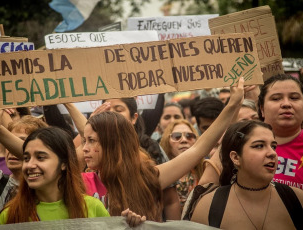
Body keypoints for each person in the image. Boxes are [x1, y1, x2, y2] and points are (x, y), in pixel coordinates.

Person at [81, 77, 244, 222]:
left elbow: (198, 150)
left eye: (91, 141)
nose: (84, 149)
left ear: (111, 143)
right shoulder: (77, 182)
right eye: (84, 141)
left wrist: (233, 104)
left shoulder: (145, 178)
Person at [191, 120, 303, 229]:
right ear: (235, 157)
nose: (272, 153)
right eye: (259, 146)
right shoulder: (209, 207)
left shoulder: (296, 198)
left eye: (273, 146)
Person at [0, 127, 110, 224]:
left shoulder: (93, 207)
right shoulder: (10, 216)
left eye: (40, 157)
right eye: (26, 158)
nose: (30, 165)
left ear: (64, 163)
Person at [258, 74, 303, 188]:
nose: (286, 104)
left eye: (294, 98)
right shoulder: (240, 144)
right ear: (262, 109)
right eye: (276, 98)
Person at [160, 119, 203, 210]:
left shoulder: (206, 170)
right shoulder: (160, 173)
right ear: (166, 142)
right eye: (176, 136)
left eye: (189, 136)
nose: (184, 140)